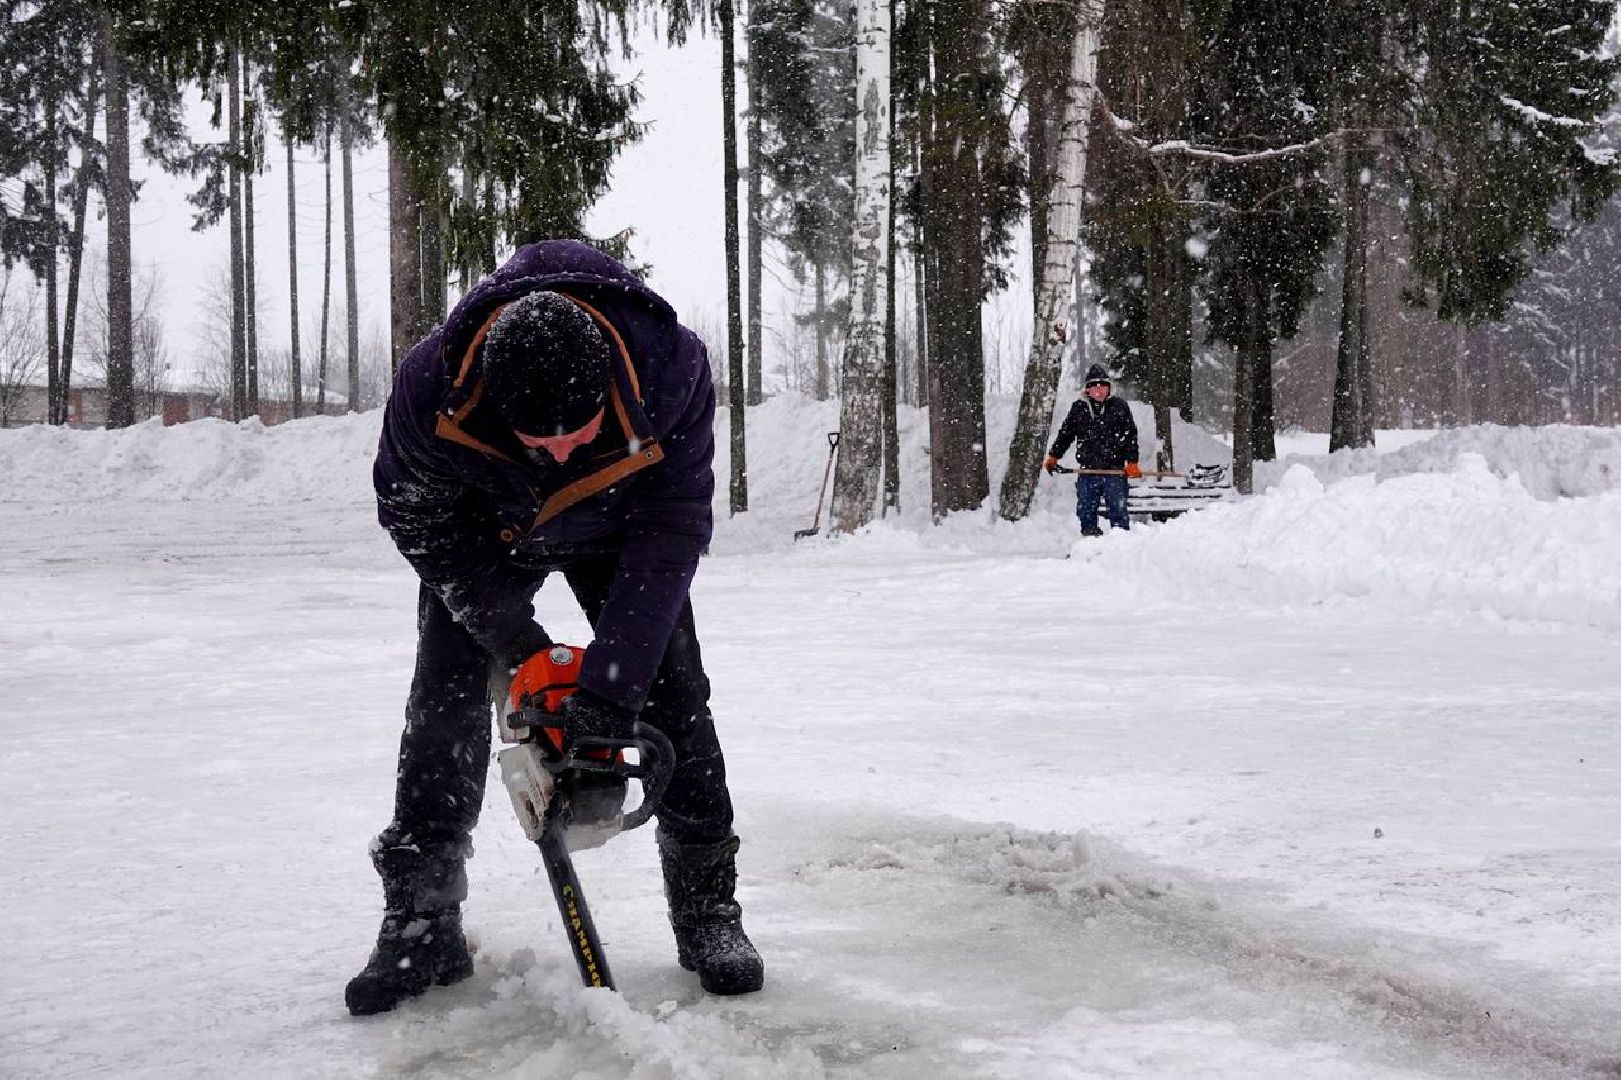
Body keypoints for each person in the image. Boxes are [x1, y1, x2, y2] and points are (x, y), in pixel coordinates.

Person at [347, 239, 763, 1016]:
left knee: (675, 694)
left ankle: (708, 909)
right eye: (541, 440)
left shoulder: (670, 369)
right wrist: (517, 644)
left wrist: (613, 686)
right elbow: (418, 520)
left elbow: (672, 527)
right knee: (441, 706)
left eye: (580, 432)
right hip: (484, 533)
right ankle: (419, 922)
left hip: (621, 532)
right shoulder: (431, 387)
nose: (564, 451)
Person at [1043, 364, 1141, 535]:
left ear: (1109, 388)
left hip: (1114, 471)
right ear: (1087, 389)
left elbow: (1130, 435)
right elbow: (1066, 434)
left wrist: (1132, 462)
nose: (1099, 390)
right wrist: (1054, 456)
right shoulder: (1078, 408)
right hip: (1088, 471)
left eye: (1103, 386)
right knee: (1086, 511)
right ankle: (1090, 540)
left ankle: (1121, 542)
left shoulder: (1119, 406)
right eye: (1095, 386)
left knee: (1118, 510)